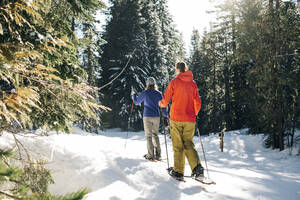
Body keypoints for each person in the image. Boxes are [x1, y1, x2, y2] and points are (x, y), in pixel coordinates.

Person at [159, 62, 204, 179]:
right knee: (188, 143)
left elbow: (166, 99)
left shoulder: (174, 82)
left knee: (178, 145)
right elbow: (198, 102)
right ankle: (197, 169)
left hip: (176, 118)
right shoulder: (192, 84)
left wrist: (161, 104)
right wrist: (194, 113)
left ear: (178, 70)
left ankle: (178, 171)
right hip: (190, 119)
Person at [132, 77, 167, 161]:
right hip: (156, 116)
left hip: (147, 116)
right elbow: (163, 105)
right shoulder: (158, 93)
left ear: (147, 84)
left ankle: (150, 155)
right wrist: (165, 115)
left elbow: (136, 102)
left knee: (148, 136)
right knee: (155, 135)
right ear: (154, 84)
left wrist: (133, 95)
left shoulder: (145, 93)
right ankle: (158, 155)